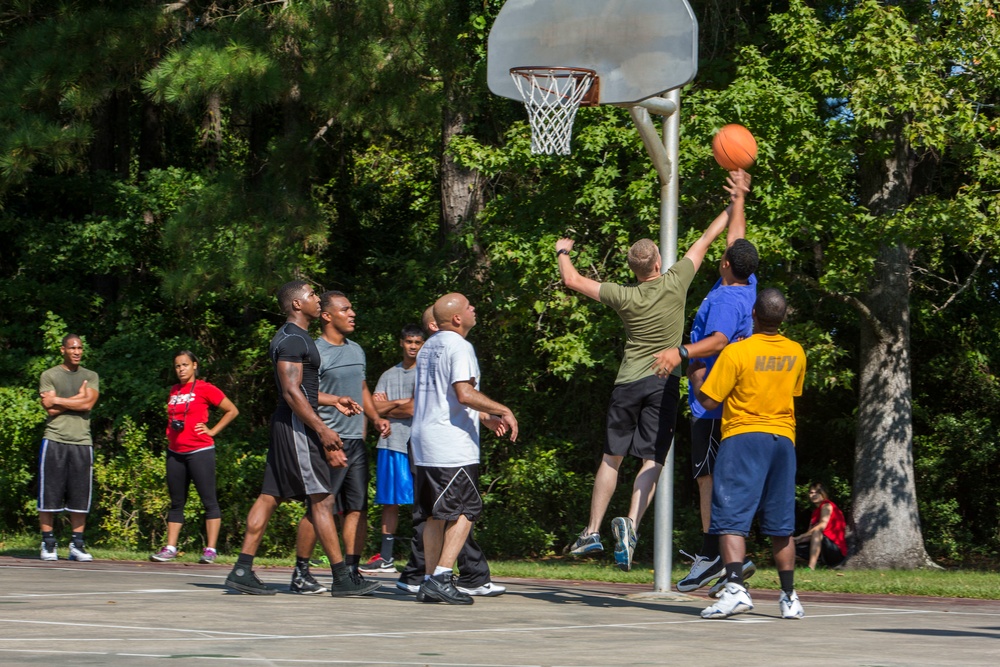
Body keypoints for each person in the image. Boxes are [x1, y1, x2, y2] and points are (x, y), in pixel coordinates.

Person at [559, 173, 746, 572]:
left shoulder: (622, 295)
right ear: (658, 263)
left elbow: (571, 279)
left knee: (612, 458)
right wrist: (732, 206)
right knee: (652, 461)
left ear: (633, 269)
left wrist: (563, 250)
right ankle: (631, 522)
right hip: (663, 383)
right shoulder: (676, 281)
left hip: (627, 381)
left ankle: (592, 531)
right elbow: (706, 240)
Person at [224, 280, 379, 597]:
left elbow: (303, 390)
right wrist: (322, 430)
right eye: (311, 295)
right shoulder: (293, 339)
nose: (317, 300)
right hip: (297, 426)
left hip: (289, 422)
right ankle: (342, 579)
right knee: (322, 498)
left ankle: (241, 570)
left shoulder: (296, 338)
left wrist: (334, 399)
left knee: (270, 497)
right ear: (297, 304)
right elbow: (292, 393)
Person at [649, 170, 759, 592]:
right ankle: (727, 558)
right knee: (714, 479)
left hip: (712, 403)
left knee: (708, 481)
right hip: (718, 401)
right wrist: (739, 198)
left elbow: (716, 340)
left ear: (726, 264)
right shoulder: (743, 281)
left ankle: (715, 556)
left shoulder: (730, 299)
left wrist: (680, 352)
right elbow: (738, 237)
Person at [696, 287, 806, 620]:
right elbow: (793, 391)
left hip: (743, 437)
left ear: (753, 315)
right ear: (783, 317)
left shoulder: (737, 352)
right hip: (783, 441)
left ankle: (734, 589)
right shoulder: (797, 352)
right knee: (781, 524)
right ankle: (789, 598)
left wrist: (696, 372)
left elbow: (709, 400)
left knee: (729, 516)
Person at [411, 293, 517, 604]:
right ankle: (443, 576)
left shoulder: (429, 347)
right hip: (451, 446)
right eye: (469, 307)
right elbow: (464, 393)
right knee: (466, 511)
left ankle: (430, 580)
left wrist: (485, 417)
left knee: (434, 515)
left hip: (425, 442)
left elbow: (449, 396)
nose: (474, 309)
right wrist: (503, 409)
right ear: (457, 318)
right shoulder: (460, 346)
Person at [292, 290, 390, 592]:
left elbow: (361, 387)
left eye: (352, 309)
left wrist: (374, 418)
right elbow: (303, 394)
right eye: (346, 309)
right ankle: (301, 572)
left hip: (356, 441)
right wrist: (330, 411)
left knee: (357, 508)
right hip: (327, 440)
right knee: (319, 507)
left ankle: (350, 571)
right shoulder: (314, 351)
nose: (352, 314)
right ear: (327, 315)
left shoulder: (357, 350)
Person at [150, 351, 239, 564]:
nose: (181, 369)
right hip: (175, 452)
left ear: (194, 365)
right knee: (176, 502)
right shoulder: (174, 390)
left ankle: (211, 549)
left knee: (209, 501)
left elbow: (232, 410)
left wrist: (212, 430)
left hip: (200, 451)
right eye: (177, 366)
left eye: (185, 365)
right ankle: (170, 548)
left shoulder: (205, 388)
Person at [361, 323, 425, 573]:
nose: (412, 346)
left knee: (422, 503)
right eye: (408, 341)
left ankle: (422, 558)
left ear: (422, 345)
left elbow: (415, 408)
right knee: (390, 502)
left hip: (417, 444)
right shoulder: (388, 374)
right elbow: (373, 409)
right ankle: (386, 558)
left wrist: (390, 405)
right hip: (390, 443)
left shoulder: (426, 374)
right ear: (401, 343)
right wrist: (400, 403)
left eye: (417, 342)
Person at [38, 334, 100, 562]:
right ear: (63, 349)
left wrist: (59, 400)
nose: (77, 351)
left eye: (80, 348)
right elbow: (50, 409)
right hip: (54, 439)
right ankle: (48, 543)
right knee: (49, 494)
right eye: (72, 348)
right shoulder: (50, 375)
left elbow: (88, 403)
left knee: (80, 496)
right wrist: (77, 398)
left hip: (82, 442)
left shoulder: (90, 376)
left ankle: (77, 544)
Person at [794, 482, 848, 569]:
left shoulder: (827, 505)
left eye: (817, 492)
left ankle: (811, 567)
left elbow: (822, 525)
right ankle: (820, 564)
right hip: (822, 547)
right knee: (792, 549)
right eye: (811, 493)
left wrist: (801, 536)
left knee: (816, 532)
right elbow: (808, 535)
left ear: (823, 493)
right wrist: (795, 540)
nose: (814, 495)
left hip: (835, 550)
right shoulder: (815, 512)